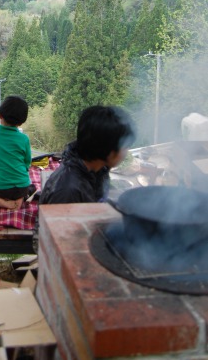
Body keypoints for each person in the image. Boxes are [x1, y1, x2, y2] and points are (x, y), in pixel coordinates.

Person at [33, 105, 136, 251]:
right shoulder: (68, 190)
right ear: (109, 151)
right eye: (125, 147)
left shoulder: (98, 167)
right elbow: (58, 243)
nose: (127, 152)